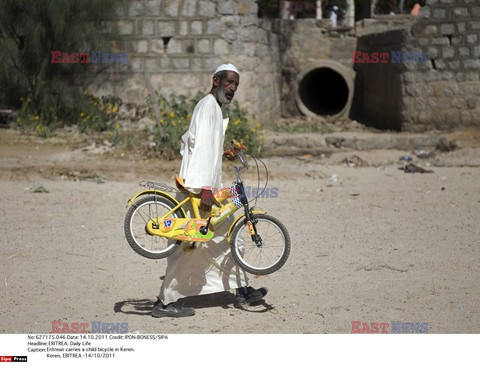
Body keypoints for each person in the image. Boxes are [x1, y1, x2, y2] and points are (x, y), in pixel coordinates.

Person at [152, 63, 267, 318]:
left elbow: (200, 144)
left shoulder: (214, 108)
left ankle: (241, 288)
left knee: (226, 238)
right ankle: (164, 302)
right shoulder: (207, 106)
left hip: (207, 189)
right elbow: (200, 150)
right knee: (187, 246)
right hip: (198, 191)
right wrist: (205, 191)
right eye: (229, 82)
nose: (233, 88)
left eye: (236, 84)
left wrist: (224, 153)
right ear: (216, 80)